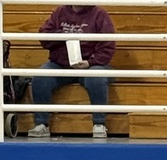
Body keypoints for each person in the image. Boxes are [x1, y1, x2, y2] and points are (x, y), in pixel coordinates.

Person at [27, 3, 115, 140]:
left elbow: (107, 46)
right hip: (60, 64)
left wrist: (90, 62)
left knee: (96, 77)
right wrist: (63, 35)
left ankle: (99, 124)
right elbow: (44, 37)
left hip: (91, 64)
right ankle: (41, 124)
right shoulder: (59, 12)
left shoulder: (100, 14)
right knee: (41, 77)